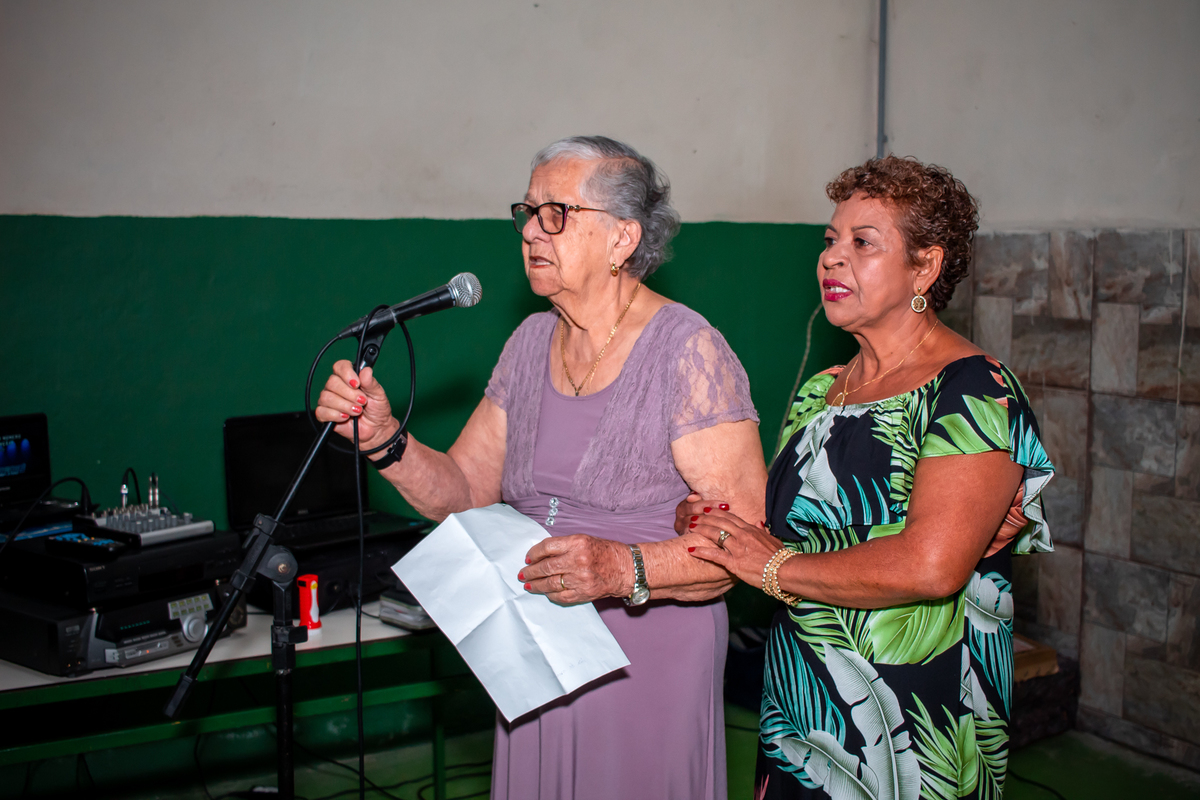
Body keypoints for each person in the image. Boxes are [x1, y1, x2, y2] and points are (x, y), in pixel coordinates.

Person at [316, 135, 765, 799]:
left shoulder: (688, 351)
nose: (530, 231)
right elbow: (464, 491)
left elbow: (743, 542)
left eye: (556, 213)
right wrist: (385, 440)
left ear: (621, 239)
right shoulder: (529, 342)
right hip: (535, 652)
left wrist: (621, 569)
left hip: (646, 657)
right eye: (526, 212)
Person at [678, 155, 1055, 800]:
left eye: (862, 243)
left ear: (925, 267)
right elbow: (787, 527)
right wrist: (715, 521)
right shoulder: (821, 392)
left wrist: (772, 566)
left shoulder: (974, 390)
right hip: (804, 708)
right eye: (830, 240)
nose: (831, 257)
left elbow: (931, 566)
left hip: (916, 716)